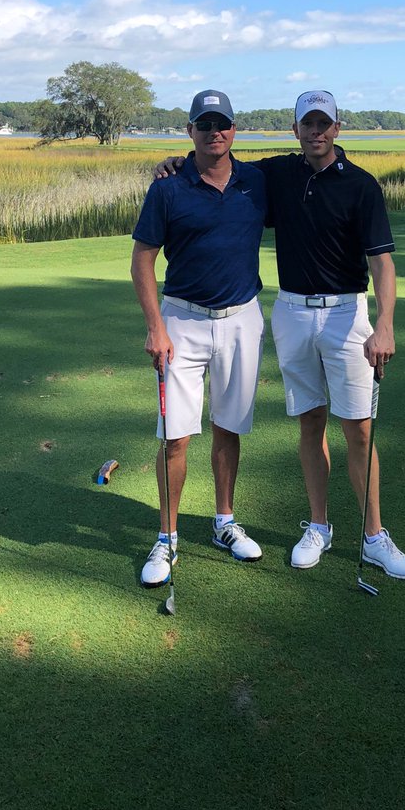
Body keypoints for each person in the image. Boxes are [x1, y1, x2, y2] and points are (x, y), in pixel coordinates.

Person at [155, 90, 405, 580]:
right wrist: (178, 161)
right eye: (307, 124)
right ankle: (318, 526)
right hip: (293, 313)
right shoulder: (275, 174)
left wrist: (384, 325)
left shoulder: (362, 186)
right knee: (310, 423)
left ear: (338, 127)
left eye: (324, 123)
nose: (316, 132)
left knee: (359, 428)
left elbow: (382, 261)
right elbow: (217, 158)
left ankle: (375, 536)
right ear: (295, 130)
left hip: (346, 315)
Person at [130, 89, 266, 589]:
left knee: (229, 426)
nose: (215, 133)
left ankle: (224, 523)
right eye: (205, 125)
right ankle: (166, 538)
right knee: (175, 435)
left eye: (223, 124)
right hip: (182, 321)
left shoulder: (256, 180)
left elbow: (311, 160)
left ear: (235, 129)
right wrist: (154, 326)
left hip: (241, 319)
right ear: (190, 131)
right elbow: (143, 258)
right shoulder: (168, 186)